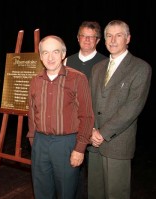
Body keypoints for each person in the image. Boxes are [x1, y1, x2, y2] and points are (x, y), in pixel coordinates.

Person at [88, 20, 152, 199]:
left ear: (128, 39)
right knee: (95, 193)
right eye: (109, 35)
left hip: (117, 144)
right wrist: (91, 129)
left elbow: (132, 107)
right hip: (94, 143)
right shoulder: (97, 68)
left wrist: (102, 133)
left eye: (119, 35)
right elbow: (90, 102)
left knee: (116, 194)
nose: (113, 40)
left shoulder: (141, 68)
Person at [27, 35, 94, 199]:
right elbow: (32, 113)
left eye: (55, 52)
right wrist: (33, 141)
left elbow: (86, 116)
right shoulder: (35, 81)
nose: (50, 57)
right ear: (41, 56)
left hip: (66, 145)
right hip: (40, 144)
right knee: (41, 192)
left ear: (63, 54)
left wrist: (79, 149)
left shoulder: (78, 78)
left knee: (66, 193)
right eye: (45, 53)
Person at [64, 21, 107, 199]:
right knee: (73, 172)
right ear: (77, 38)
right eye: (83, 35)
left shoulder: (106, 62)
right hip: (72, 127)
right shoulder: (66, 61)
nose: (87, 40)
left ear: (97, 40)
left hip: (96, 129)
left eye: (91, 37)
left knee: (97, 178)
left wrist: (97, 128)